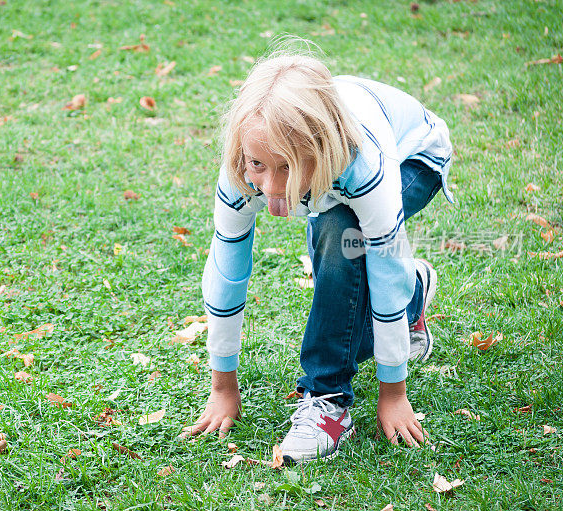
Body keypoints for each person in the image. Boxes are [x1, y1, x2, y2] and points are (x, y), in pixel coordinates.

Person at [180, 45, 454, 464]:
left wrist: (393, 392)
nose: (270, 189)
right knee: (338, 249)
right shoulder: (243, 161)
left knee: (339, 232)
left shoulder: (365, 167)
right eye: (259, 165)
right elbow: (226, 271)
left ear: (321, 150)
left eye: (287, 166)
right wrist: (223, 388)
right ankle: (414, 295)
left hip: (416, 155)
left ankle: (326, 399)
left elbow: (386, 262)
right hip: (331, 170)